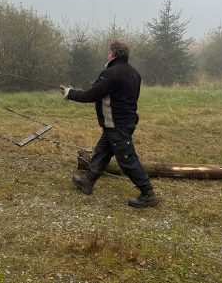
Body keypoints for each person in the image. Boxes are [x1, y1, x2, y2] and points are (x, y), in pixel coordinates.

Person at [60, 39, 158, 208]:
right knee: (103, 151)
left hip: (117, 125)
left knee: (127, 159)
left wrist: (70, 93)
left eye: (108, 52)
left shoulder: (110, 73)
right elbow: (132, 99)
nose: (107, 54)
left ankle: (148, 193)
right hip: (124, 122)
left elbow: (92, 95)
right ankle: (87, 182)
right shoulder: (135, 73)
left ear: (113, 53)